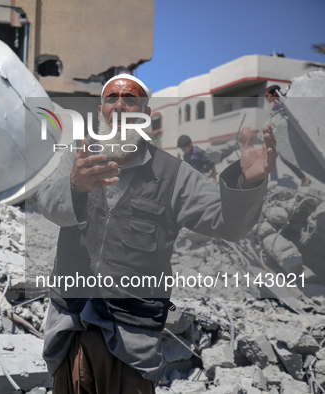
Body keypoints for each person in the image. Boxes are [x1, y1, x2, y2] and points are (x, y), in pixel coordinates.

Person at [37, 74, 276, 393]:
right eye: (112, 99)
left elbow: (226, 222)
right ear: (100, 112)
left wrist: (247, 183)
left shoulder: (172, 174)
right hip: (70, 327)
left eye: (131, 100)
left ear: (145, 115)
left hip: (132, 343)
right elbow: (47, 204)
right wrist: (75, 187)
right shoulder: (78, 157)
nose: (120, 106)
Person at [264, 85, 311, 186]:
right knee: (272, 156)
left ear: (275, 94)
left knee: (285, 158)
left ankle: (303, 178)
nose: (266, 98)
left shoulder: (282, 105)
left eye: (268, 95)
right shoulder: (276, 106)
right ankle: (274, 180)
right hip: (278, 136)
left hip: (287, 136)